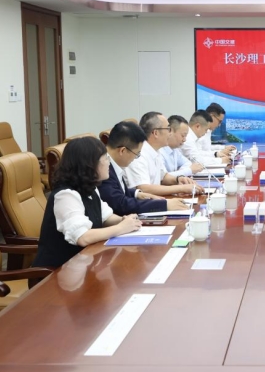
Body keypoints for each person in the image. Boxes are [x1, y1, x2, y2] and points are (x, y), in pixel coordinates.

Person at [32, 137, 142, 268]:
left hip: (84, 263)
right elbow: (82, 237)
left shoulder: (90, 187)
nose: (109, 163)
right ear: (90, 164)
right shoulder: (66, 195)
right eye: (105, 158)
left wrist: (124, 220)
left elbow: (105, 216)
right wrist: (120, 228)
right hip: (58, 271)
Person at [98, 121, 188, 215]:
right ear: (122, 151)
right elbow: (121, 204)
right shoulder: (103, 169)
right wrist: (164, 205)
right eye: (136, 154)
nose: (135, 158)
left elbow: (119, 191)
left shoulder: (112, 163)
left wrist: (137, 194)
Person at [125, 112, 203, 196]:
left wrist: (178, 179)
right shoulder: (139, 153)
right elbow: (144, 188)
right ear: (156, 133)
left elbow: (163, 177)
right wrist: (181, 188)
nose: (170, 133)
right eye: (168, 129)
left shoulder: (156, 150)